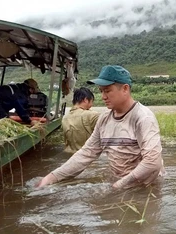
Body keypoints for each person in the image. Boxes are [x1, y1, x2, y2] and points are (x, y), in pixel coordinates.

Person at [37, 65, 165, 190]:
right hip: (121, 184)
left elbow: (152, 163)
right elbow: (86, 153)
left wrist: (118, 186)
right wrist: (51, 177)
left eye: (107, 90)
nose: (103, 96)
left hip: (146, 188)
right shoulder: (104, 120)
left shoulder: (143, 118)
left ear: (125, 89)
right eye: (101, 91)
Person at [62, 87, 100, 153]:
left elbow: (66, 142)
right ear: (85, 100)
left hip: (71, 156)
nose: (92, 105)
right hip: (87, 155)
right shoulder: (92, 115)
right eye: (91, 101)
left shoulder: (65, 118)